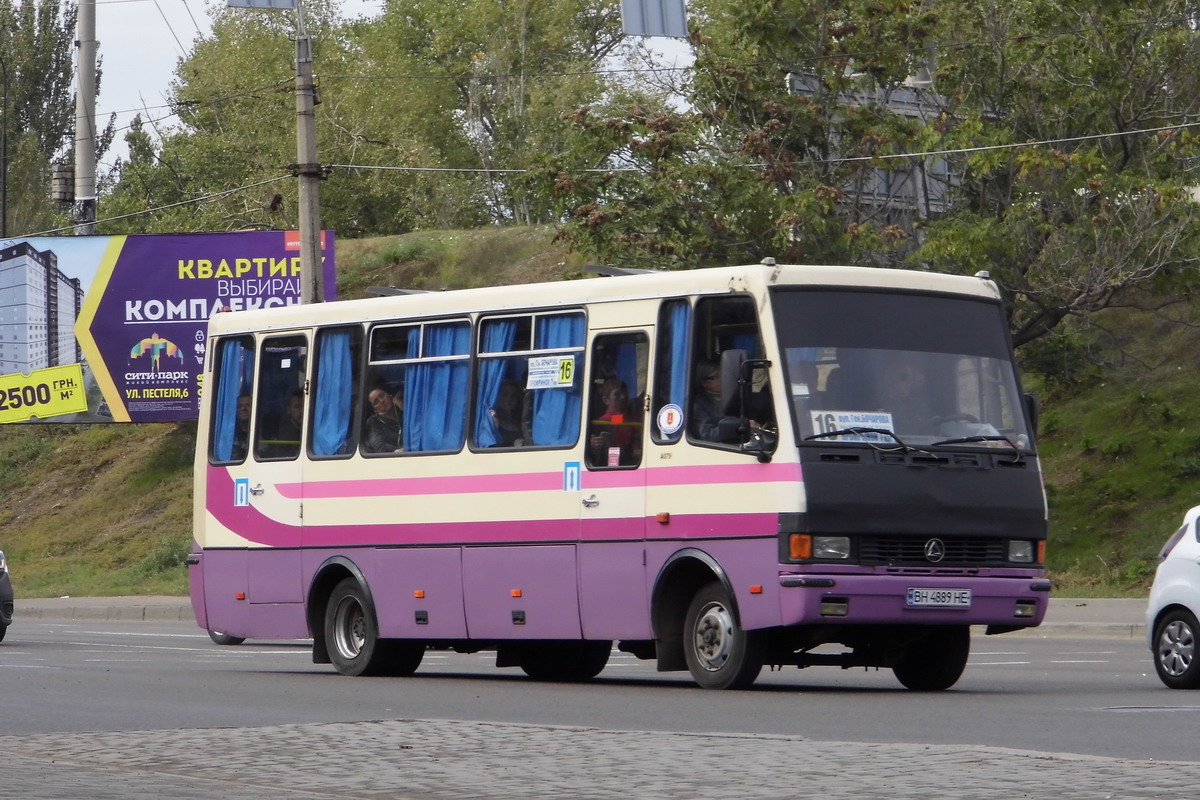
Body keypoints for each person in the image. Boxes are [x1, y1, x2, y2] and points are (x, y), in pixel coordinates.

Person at [589, 378, 637, 465]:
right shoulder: (600, 422)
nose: (623, 397)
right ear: (606, 400)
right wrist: (591, 444)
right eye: (617, 394)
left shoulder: (632, 419)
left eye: (624, 393)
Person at [878, 357, 932, 433]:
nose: (909, 382)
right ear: (889, 378)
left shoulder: (919, 407)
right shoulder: (874, 406)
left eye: (911, 378)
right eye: (905, 378)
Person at [691, 361, 724, 441]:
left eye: (722, 375)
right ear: (704, 383)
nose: (721, 379)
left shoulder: (732, 396)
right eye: (716, 377)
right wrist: (739, 428)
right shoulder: (699, 405)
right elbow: (708, 434)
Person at [364, 385, 403, 453]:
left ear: (389, 395)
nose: (381, 401)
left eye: (382, 395)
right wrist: (397, 450)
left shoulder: (402, 412)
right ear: (374, 409)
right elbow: (379, 445)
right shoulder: (373, 422)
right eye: (376, 402)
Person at [489, 380, 524, 447]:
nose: (509, 398)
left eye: (513, 395)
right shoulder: (491, 421)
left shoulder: (521, 421)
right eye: (504, 394)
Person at [230, 393, 251, 460]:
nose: (243, 408)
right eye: (239, 406)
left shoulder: (263, 433)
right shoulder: (231, 432)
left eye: (248, 405)